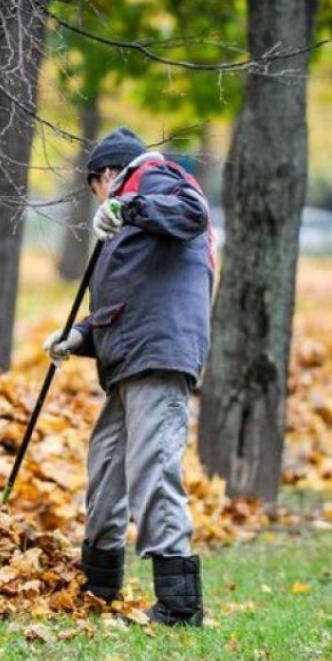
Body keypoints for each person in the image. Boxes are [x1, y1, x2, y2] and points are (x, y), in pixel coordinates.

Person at [43, 127, 214, 626]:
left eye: (95, 186)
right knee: (107, 469)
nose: (97, 198)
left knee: (153, 468)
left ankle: (180, 606)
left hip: (157, 357)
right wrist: (78, 336)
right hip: (130, 360)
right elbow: (129, 304)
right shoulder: (131, 218)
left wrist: (127, 205)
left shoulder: (157, 178)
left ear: (107, 175)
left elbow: (192, 214)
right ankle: (99, 588)